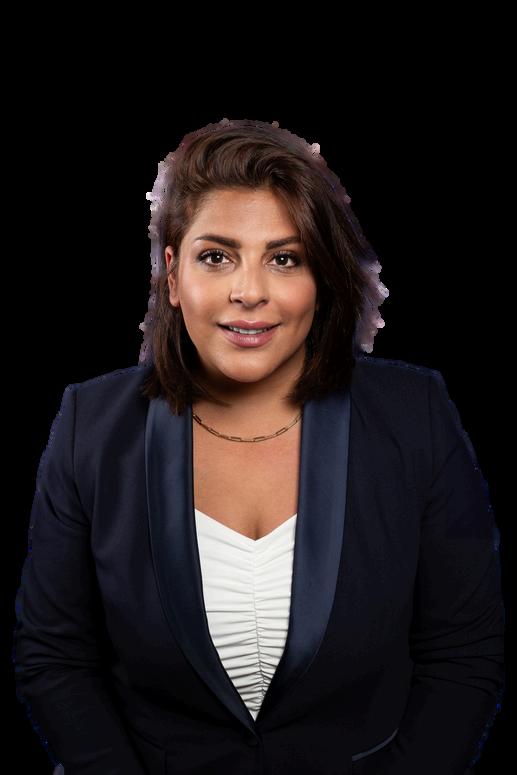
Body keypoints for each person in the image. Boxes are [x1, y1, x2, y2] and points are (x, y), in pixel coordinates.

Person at [13, 118, 504, 775]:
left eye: (284, 258)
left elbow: (462, 654)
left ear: (321, 277)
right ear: (172, 273)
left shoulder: (415, 416)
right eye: (216, 256)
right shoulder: (91, 426)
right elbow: (56, 656)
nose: (249, 291)